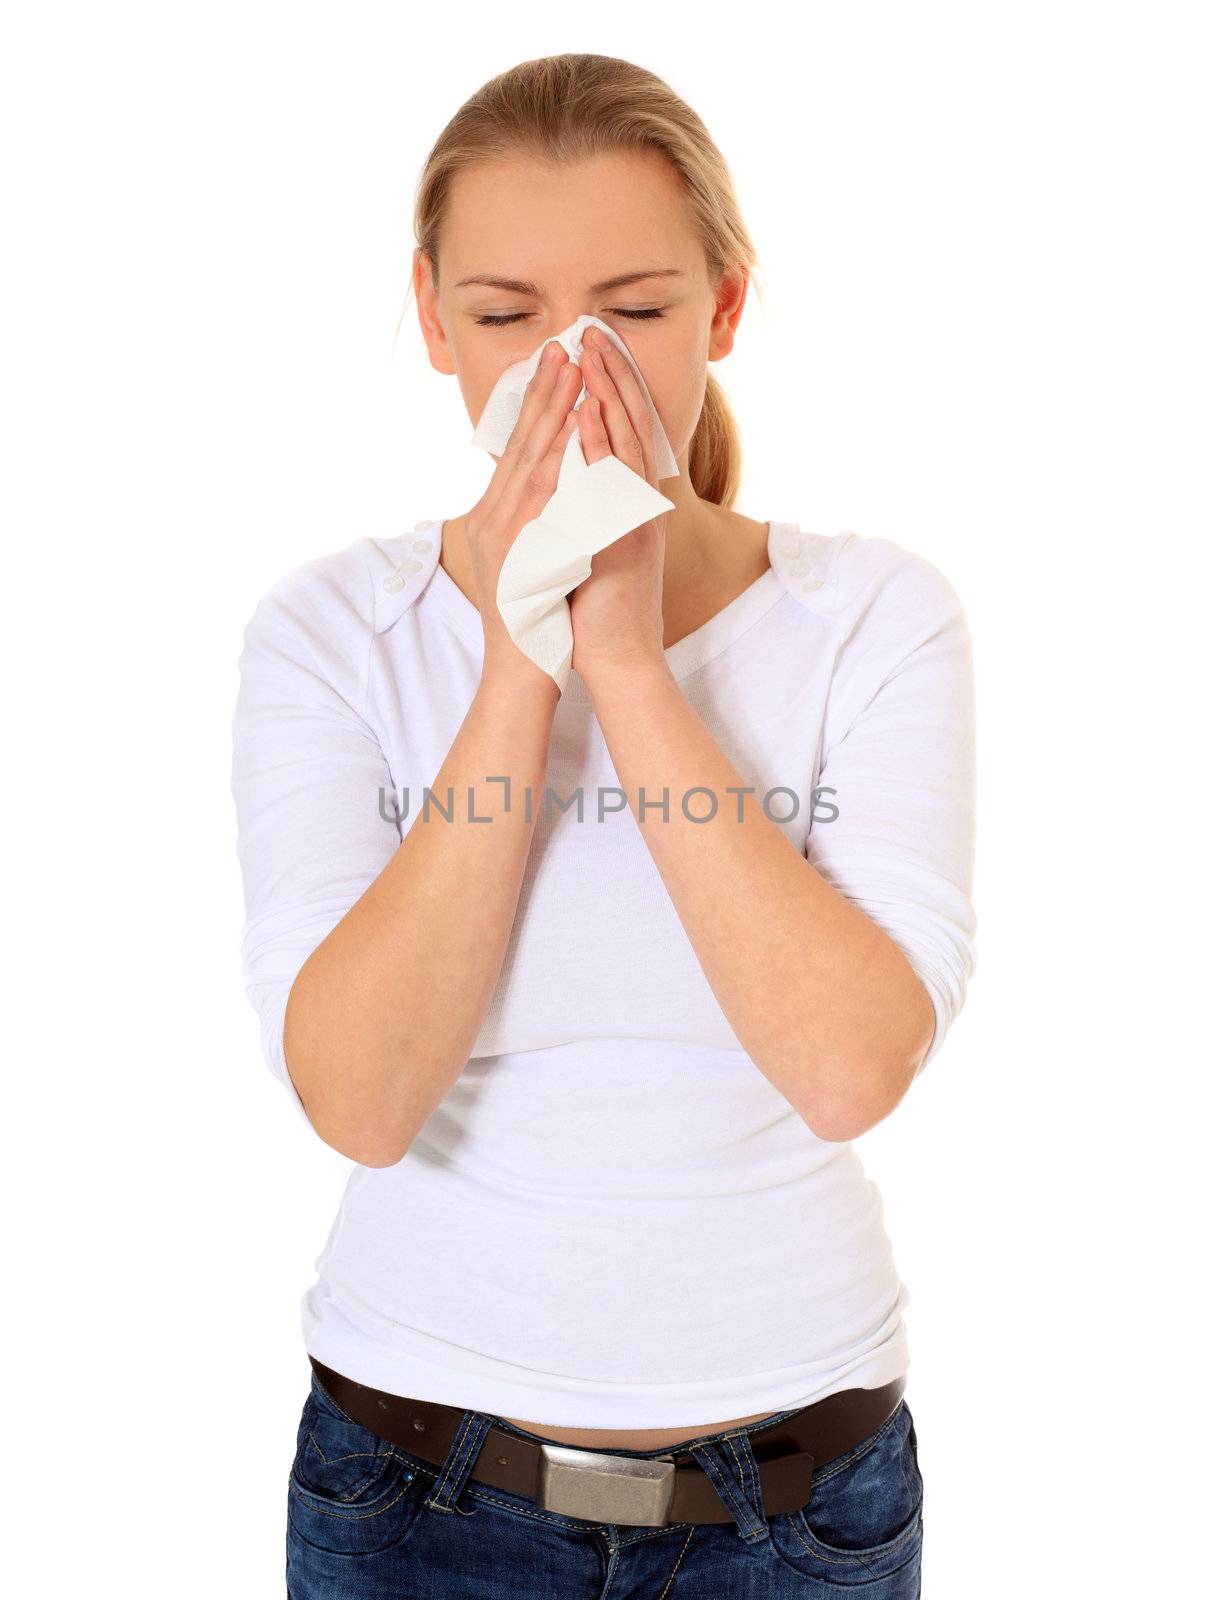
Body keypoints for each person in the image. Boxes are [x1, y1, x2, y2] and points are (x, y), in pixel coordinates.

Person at [230, 51, 977, 1598]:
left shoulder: (874, 617)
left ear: (723, 310)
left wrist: (628, 668)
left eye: (631, 312)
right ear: (431, 321)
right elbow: (361, 1100)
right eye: (507, 316)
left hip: (795, 1507)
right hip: (413, 1494)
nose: (570, 367)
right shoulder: (330, 635)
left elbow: (850, 1067)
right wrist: (520, 663)